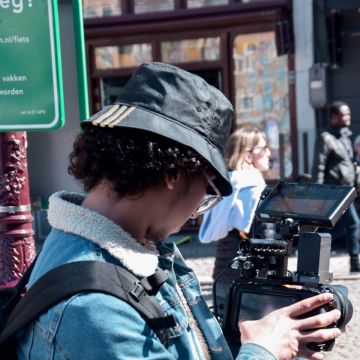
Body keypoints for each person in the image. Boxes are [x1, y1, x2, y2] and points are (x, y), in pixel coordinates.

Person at [17, 62, 341, 360]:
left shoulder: (131, 248)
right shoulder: (96, 309)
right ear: (173, 172)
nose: (197, 212)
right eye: (207, 190)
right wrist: (262, 352)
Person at [198, 125, 274, 316]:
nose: (269, 153)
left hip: (222, 273)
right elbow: (266, 238)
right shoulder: (255, 186)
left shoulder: (225, 185)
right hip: (251, 278)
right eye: (263, 148)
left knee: (225, 337)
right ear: (248, 156)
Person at [312, 100, 360, 272]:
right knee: (352, 223)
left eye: (348, 113)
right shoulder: (325, 138)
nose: (348, 117)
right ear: (333, 117)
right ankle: (355, 262)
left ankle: (316, 256)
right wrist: (317, 194)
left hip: (348, 190)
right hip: (334, 192)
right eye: (343, 114)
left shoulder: (345, 135)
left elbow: (350, 164)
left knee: (340, 227)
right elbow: (318, 166)